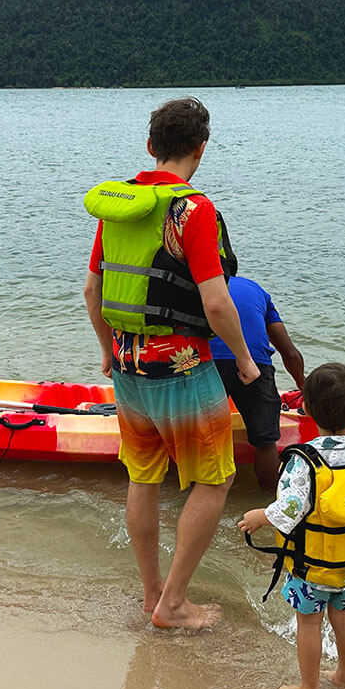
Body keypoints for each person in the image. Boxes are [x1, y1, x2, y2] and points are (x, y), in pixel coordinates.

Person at [83, 96, 260, 631]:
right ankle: (175, 604)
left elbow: (93, 292)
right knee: (215, 480)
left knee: (143, 476)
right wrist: (247, 363)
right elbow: (215, 302)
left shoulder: (120, 206)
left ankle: (151, 592)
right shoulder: (195, 210)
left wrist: (108, 353)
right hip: (182, 366)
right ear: (201, 150)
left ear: (150, 147)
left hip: (128, 365)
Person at [237, 362, 345, 689]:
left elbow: (290, 508)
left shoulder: (304, 460)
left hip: (312, 568)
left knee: (309, 624)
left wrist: (259, 517)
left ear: (305, 408)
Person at [208, 246, 306, 494]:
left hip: (207, 366)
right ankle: (268, 499)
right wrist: (304, 389)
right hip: (255, 366)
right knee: (265, 442)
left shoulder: (199, 289)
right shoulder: (256, 290)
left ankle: (199, 492)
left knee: (200, 436)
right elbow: (290, 353)